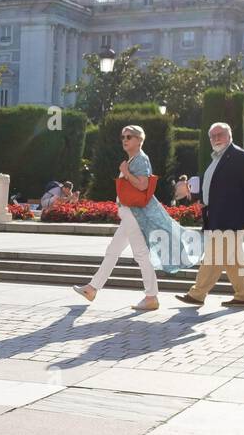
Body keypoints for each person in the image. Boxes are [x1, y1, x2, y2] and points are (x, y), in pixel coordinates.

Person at [72, 125, 200, 310]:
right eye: (123, 136)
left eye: (129, 136)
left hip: (134, 214)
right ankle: (92, 289)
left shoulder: (140, 160)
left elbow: (143, 186)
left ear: (140, 140)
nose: (125, 139)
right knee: (113, 250)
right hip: (129, 213)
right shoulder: (134, 159)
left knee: (140, 254)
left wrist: (126, 171)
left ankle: (151, 297)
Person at [176, 122, 244, 308]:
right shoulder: (217, 158)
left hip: (230, 217)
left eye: (220, 134)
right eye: (213, 136)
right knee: (233, 261)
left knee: (213, 257)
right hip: (217, 215)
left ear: (230, 136)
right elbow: (214, 186)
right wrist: (201, 198)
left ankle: (197, 294)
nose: (216, 138)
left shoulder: (239, 157)